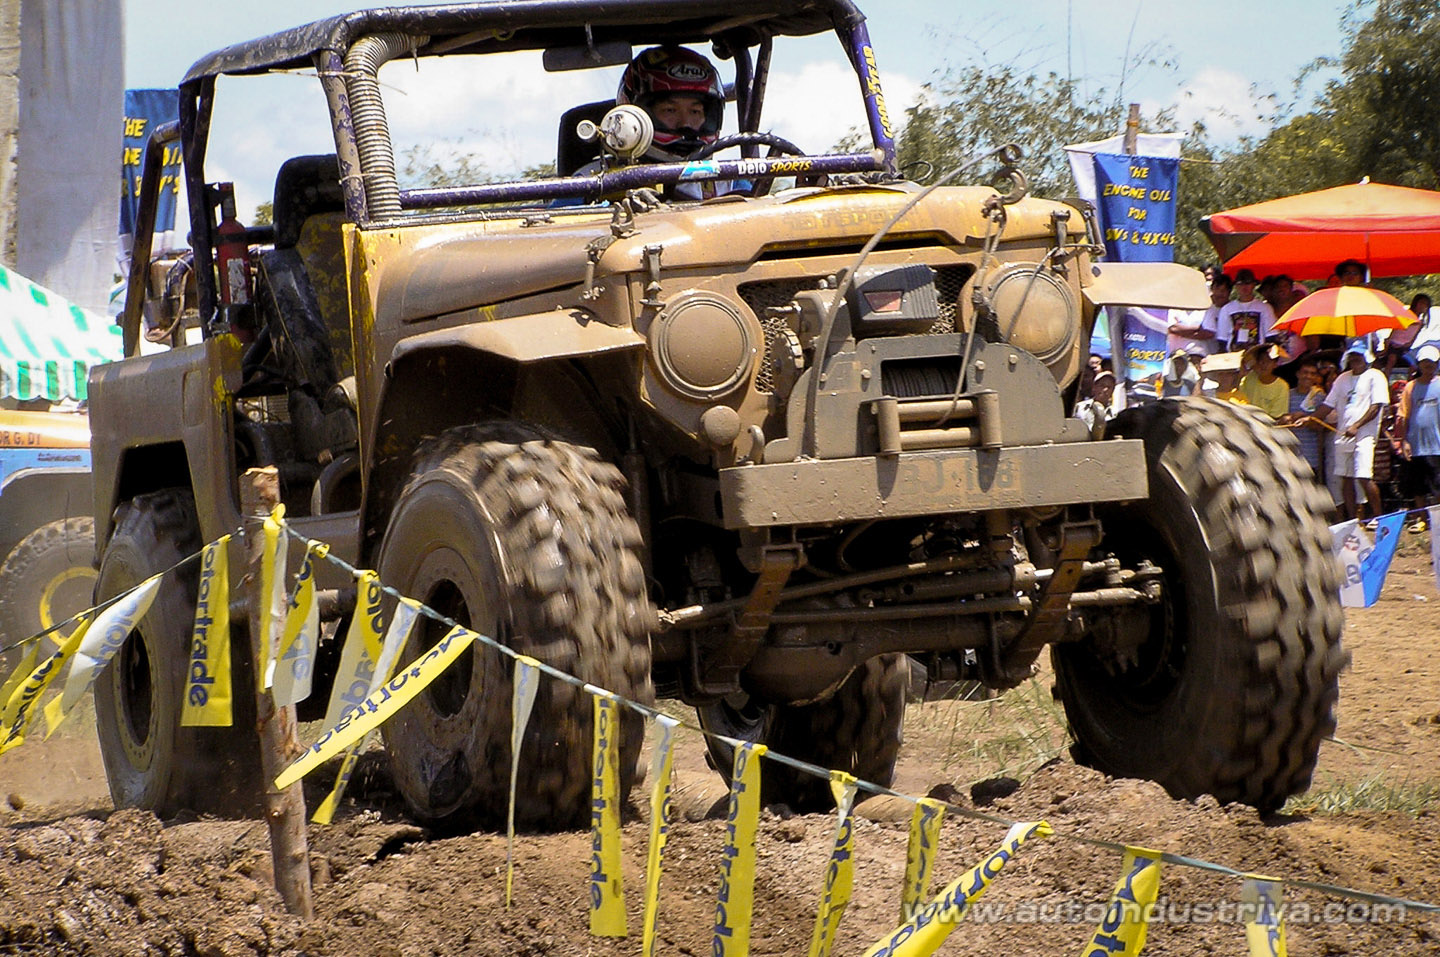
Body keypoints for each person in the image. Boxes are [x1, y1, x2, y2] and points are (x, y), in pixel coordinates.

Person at [610, 45, 739, 200]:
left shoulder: (729, 180)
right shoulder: (596, 182)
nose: (685, 124)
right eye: (670, 110)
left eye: (695, 112)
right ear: (634, 114)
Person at [1316, 343, 1389, 523]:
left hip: (1364, 435)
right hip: (1342, 435)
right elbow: (1328, 404)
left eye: (1359, 356)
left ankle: (1378, 518)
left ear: (1367, 358)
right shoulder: (1342, 379)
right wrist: (1309, 418)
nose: (1355, 360)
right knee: (1345, 478)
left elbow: (1376, 406)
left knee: (1364, 476)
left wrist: (1357, 425)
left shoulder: (1375, 376)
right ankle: (1352, 520)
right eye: (1352, 357)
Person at [1394, 344, 1440, 532]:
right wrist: (1403, 441)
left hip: (1437, 445)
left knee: (1437, 485)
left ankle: (1437, 520)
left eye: (1431, 364)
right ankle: (1422, 518)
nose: (1428, 367)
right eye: (1424, 364)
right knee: (1418, 486)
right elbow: (1403, 415)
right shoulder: (1411, 387)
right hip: (1416, 444)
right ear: (1419, 365)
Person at [1280, 357, 1328, 480]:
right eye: (1305, 372)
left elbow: (1322, 426)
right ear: (1298, 374)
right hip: (1289, 455)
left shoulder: (1319, 397)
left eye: (1312, 374)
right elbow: (1278, 420)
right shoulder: (1287, 394)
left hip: (1312, 456)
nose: (1308, 376)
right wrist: (1286, 419)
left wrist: (1305, 419)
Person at [1216, 269, 1275, 352]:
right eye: (1240, 284)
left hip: (1257, 354)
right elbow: (1222, 338)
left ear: (1253, 285)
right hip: (1234, 355)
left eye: (1248, 283)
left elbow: (1271, 336)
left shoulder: (1265, 308)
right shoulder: (1226, 309)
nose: (1244, 287)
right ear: (1236, 286)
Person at [1167, 273, 1225, 357]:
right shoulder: (1173, 307)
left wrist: (1181, 332)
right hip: (1175, 354)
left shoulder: (1206, 308)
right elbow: (1172, 328)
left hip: (1198, 354)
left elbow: (1208, 333)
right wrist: (1198, 328)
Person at [1238, 343, 1290, 419]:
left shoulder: (1282, 386)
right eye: (1261, 361)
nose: (1263, 365)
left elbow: (1277, 416)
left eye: (1268, 362)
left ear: (1275, 364)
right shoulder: (1249, 378)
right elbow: (1240, 401)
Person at [1075, 370, 1116, 439]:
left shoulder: (1115, 413)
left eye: (1109, 387)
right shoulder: (1079, 407)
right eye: (1102, 385)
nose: (1105, 389)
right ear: (1094, 387)